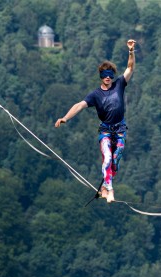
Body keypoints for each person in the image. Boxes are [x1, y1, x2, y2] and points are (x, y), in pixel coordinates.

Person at [55, 39, 136, 203]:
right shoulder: (95, 95)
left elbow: (130, 68)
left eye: (110, 75)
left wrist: (131, 51)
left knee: (115, 161)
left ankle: (105, 188)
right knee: (107, 158)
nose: (108, 78)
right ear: (101, 77)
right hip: (106, 130)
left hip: (120, 129)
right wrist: (65, 118)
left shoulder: (119, 84)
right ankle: (110, 190)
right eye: (105, 75)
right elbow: (79, 105)